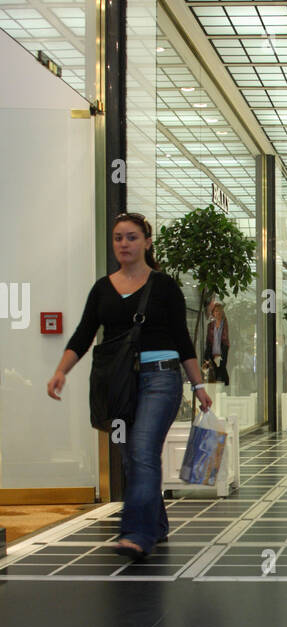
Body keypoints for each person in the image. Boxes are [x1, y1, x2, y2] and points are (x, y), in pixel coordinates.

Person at [47, 212, 211, 558]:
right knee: (133, 456)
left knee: (141, 450)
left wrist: (198, 386)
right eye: (119, 237)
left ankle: (136, 531)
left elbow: (183, 339)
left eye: (132, 237)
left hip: (161, 378)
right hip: (119, 382)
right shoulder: (102, 288)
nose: (124, 243)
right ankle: (157, 525)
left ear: (147, 243)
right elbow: (83, 333)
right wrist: (61, 370)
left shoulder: (164, 286)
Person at [204, 301, 230, 385]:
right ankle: (219, 389)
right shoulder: (210, 325)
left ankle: (226, 386)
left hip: (223, 349)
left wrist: (221, 352)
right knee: (215, 370)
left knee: (222, 368)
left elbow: (226, 339)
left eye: (219, 311)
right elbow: (208, 340)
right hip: (213, 350)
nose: (217, 313)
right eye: (215, 311)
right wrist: (207, 355)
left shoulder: (225, 324)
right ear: (213, 313)